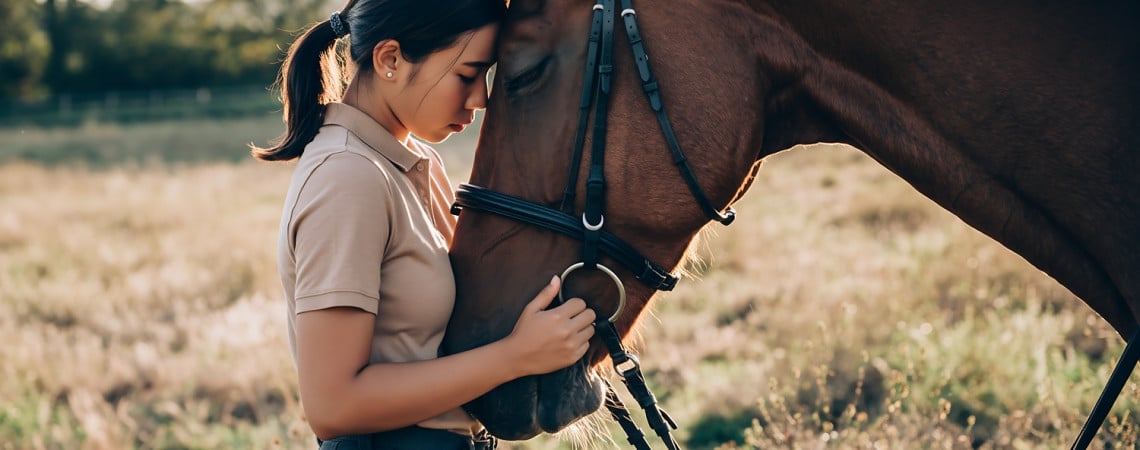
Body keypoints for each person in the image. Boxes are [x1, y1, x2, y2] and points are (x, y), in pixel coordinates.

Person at [251, 1, 598, 448]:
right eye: (467, 75)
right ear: (390, 59)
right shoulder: (347, 177)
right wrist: (514, 357)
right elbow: (332, 406)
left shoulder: (414, 164)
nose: (481, 99)